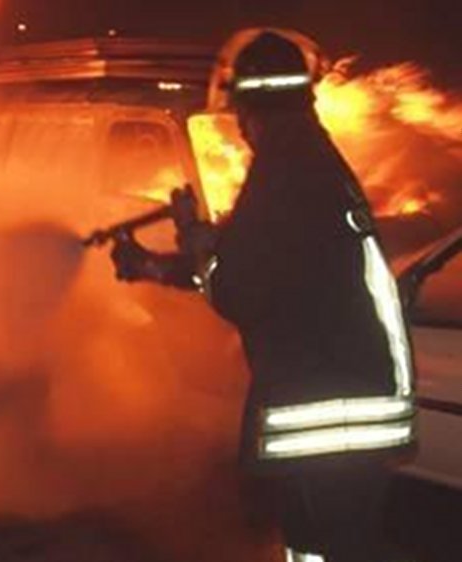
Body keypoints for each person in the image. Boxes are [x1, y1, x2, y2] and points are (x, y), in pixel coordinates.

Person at [110, 29, 415, 562]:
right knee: (339, 545)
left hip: (321, 415)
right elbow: (267, 268)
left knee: (318, 548)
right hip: (356, 399)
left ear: (252, 108)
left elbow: (236, 288)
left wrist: (196, 241)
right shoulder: (312, 162)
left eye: (239, 114)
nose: (239, 129)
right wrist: (155, 264)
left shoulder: (284, 173)